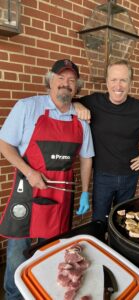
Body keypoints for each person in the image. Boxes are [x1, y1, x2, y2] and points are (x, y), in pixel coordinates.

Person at [0, 59, 94, 300]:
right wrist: (30, 172)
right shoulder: (27, 107)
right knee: (17, 252)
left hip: (60, 194)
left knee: (52, 250)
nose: (65, 84)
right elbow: (4, 144)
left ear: (77, 87)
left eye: (71, 80)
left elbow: (86, 158)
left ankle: (42, 293)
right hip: (28, 189)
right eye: (60, 78)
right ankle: (13, 296)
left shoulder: (82, 118)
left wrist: (85, 191)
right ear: (49, 81)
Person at [75, 59, 139, 224]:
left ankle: (116, 248)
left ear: (130, 83)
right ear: (106, 82)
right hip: (102, 176)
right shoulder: (94, 102)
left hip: (129, 176)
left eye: (123, 80)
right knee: (99, 220)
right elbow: (70, 102)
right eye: (113, 79)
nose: (117, 85)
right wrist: (78, 105)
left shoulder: (138, 108)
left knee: (123, 220)